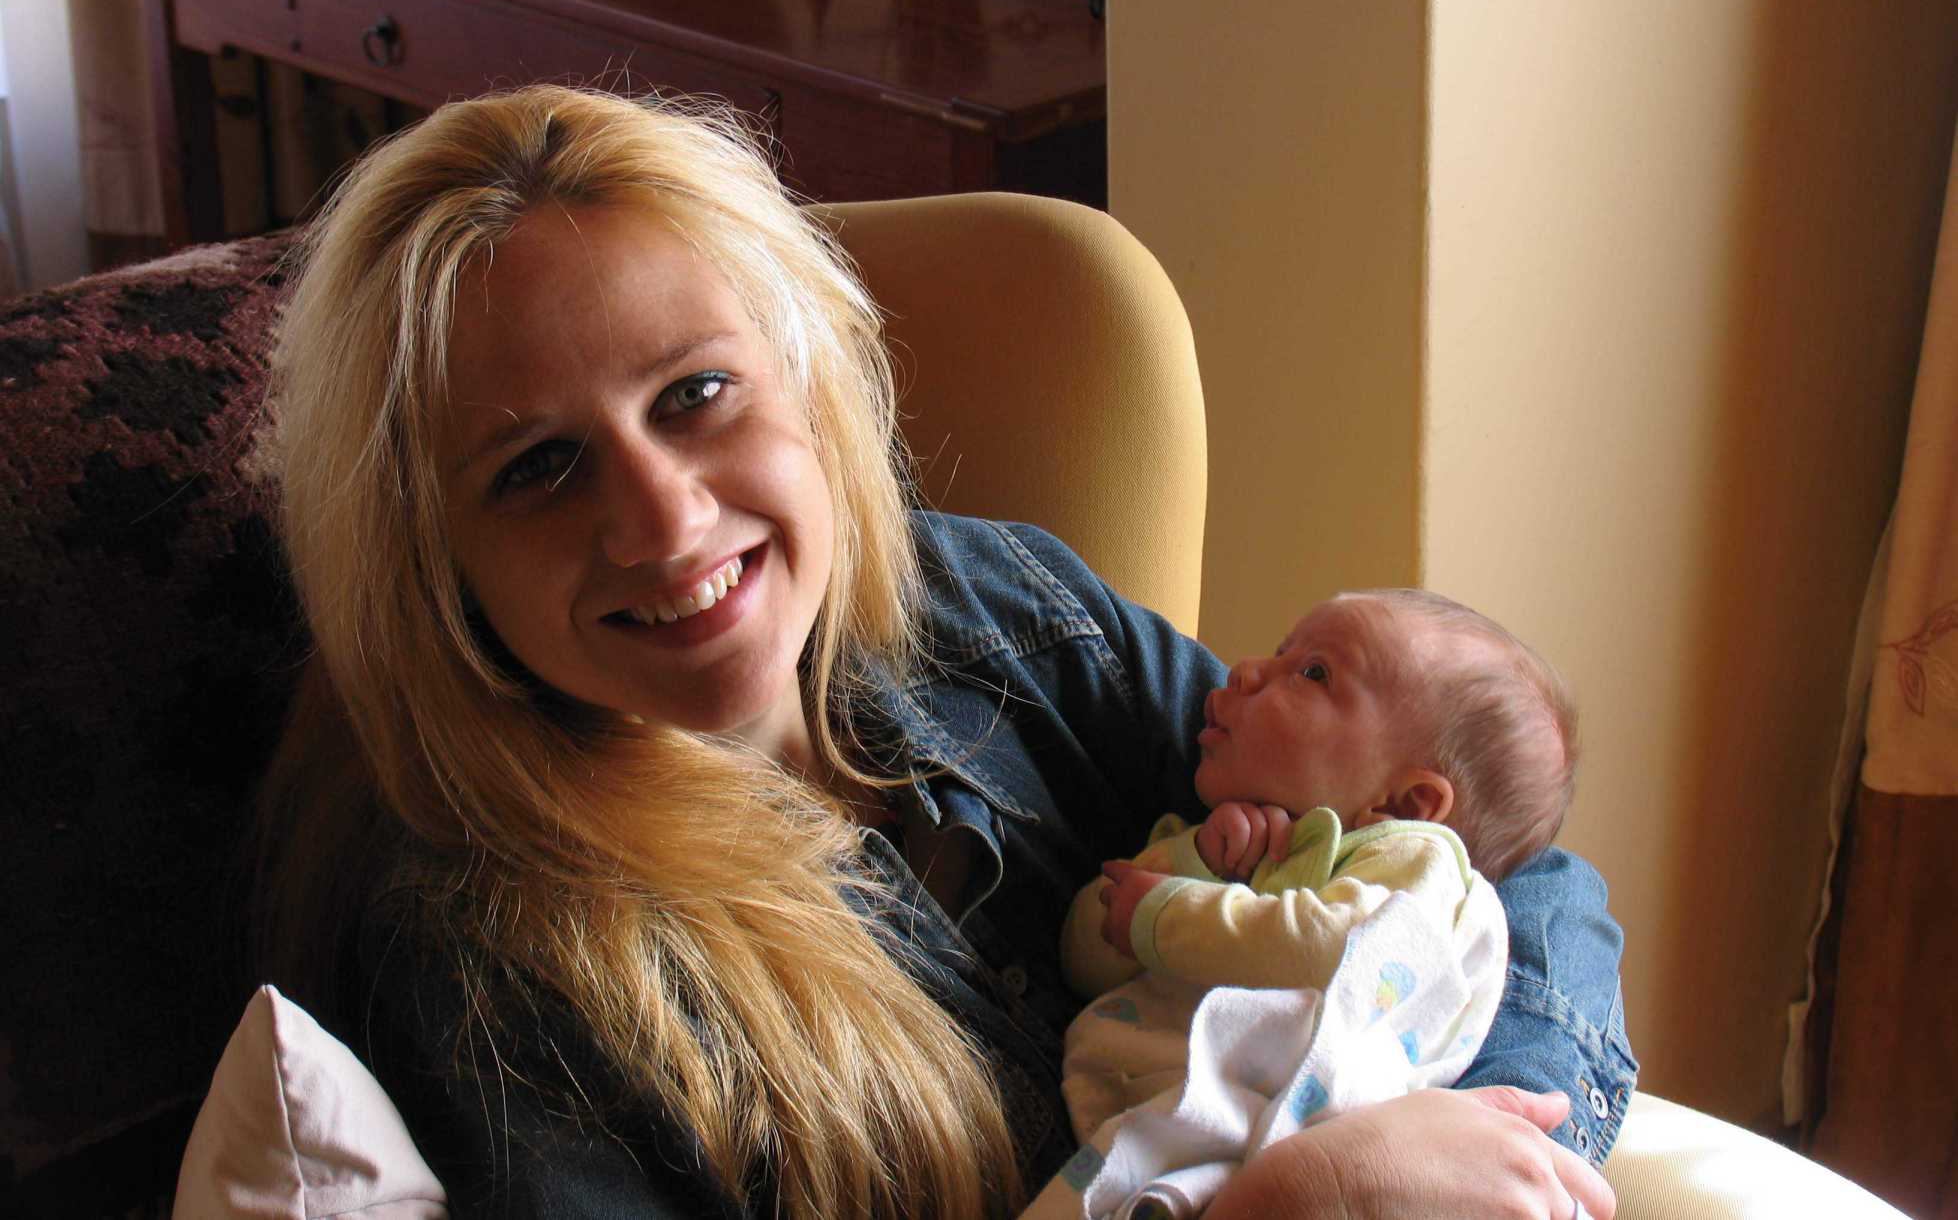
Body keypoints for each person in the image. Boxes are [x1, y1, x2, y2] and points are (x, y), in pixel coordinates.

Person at [254, 83, 1631, 1220]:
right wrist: (1290, 1203)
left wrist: (1448, 1137)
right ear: (432, 553)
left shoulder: (998, 609)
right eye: (538, 467)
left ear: (810, 374)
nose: (663, 522)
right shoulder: (491, 972)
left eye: (695, 393)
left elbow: (1502, 869)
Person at [1030, 589, 1576, 1219]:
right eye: (1280, 653)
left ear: (1405, 804)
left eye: (1313, 673)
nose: (1245, 670)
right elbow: (1083, 958)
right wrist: (1193, 865)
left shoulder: (1417, 866)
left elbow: (1333, 948)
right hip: (1147, 1135)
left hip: (1302, 1142)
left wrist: (1167, 916)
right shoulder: (1217, 848)